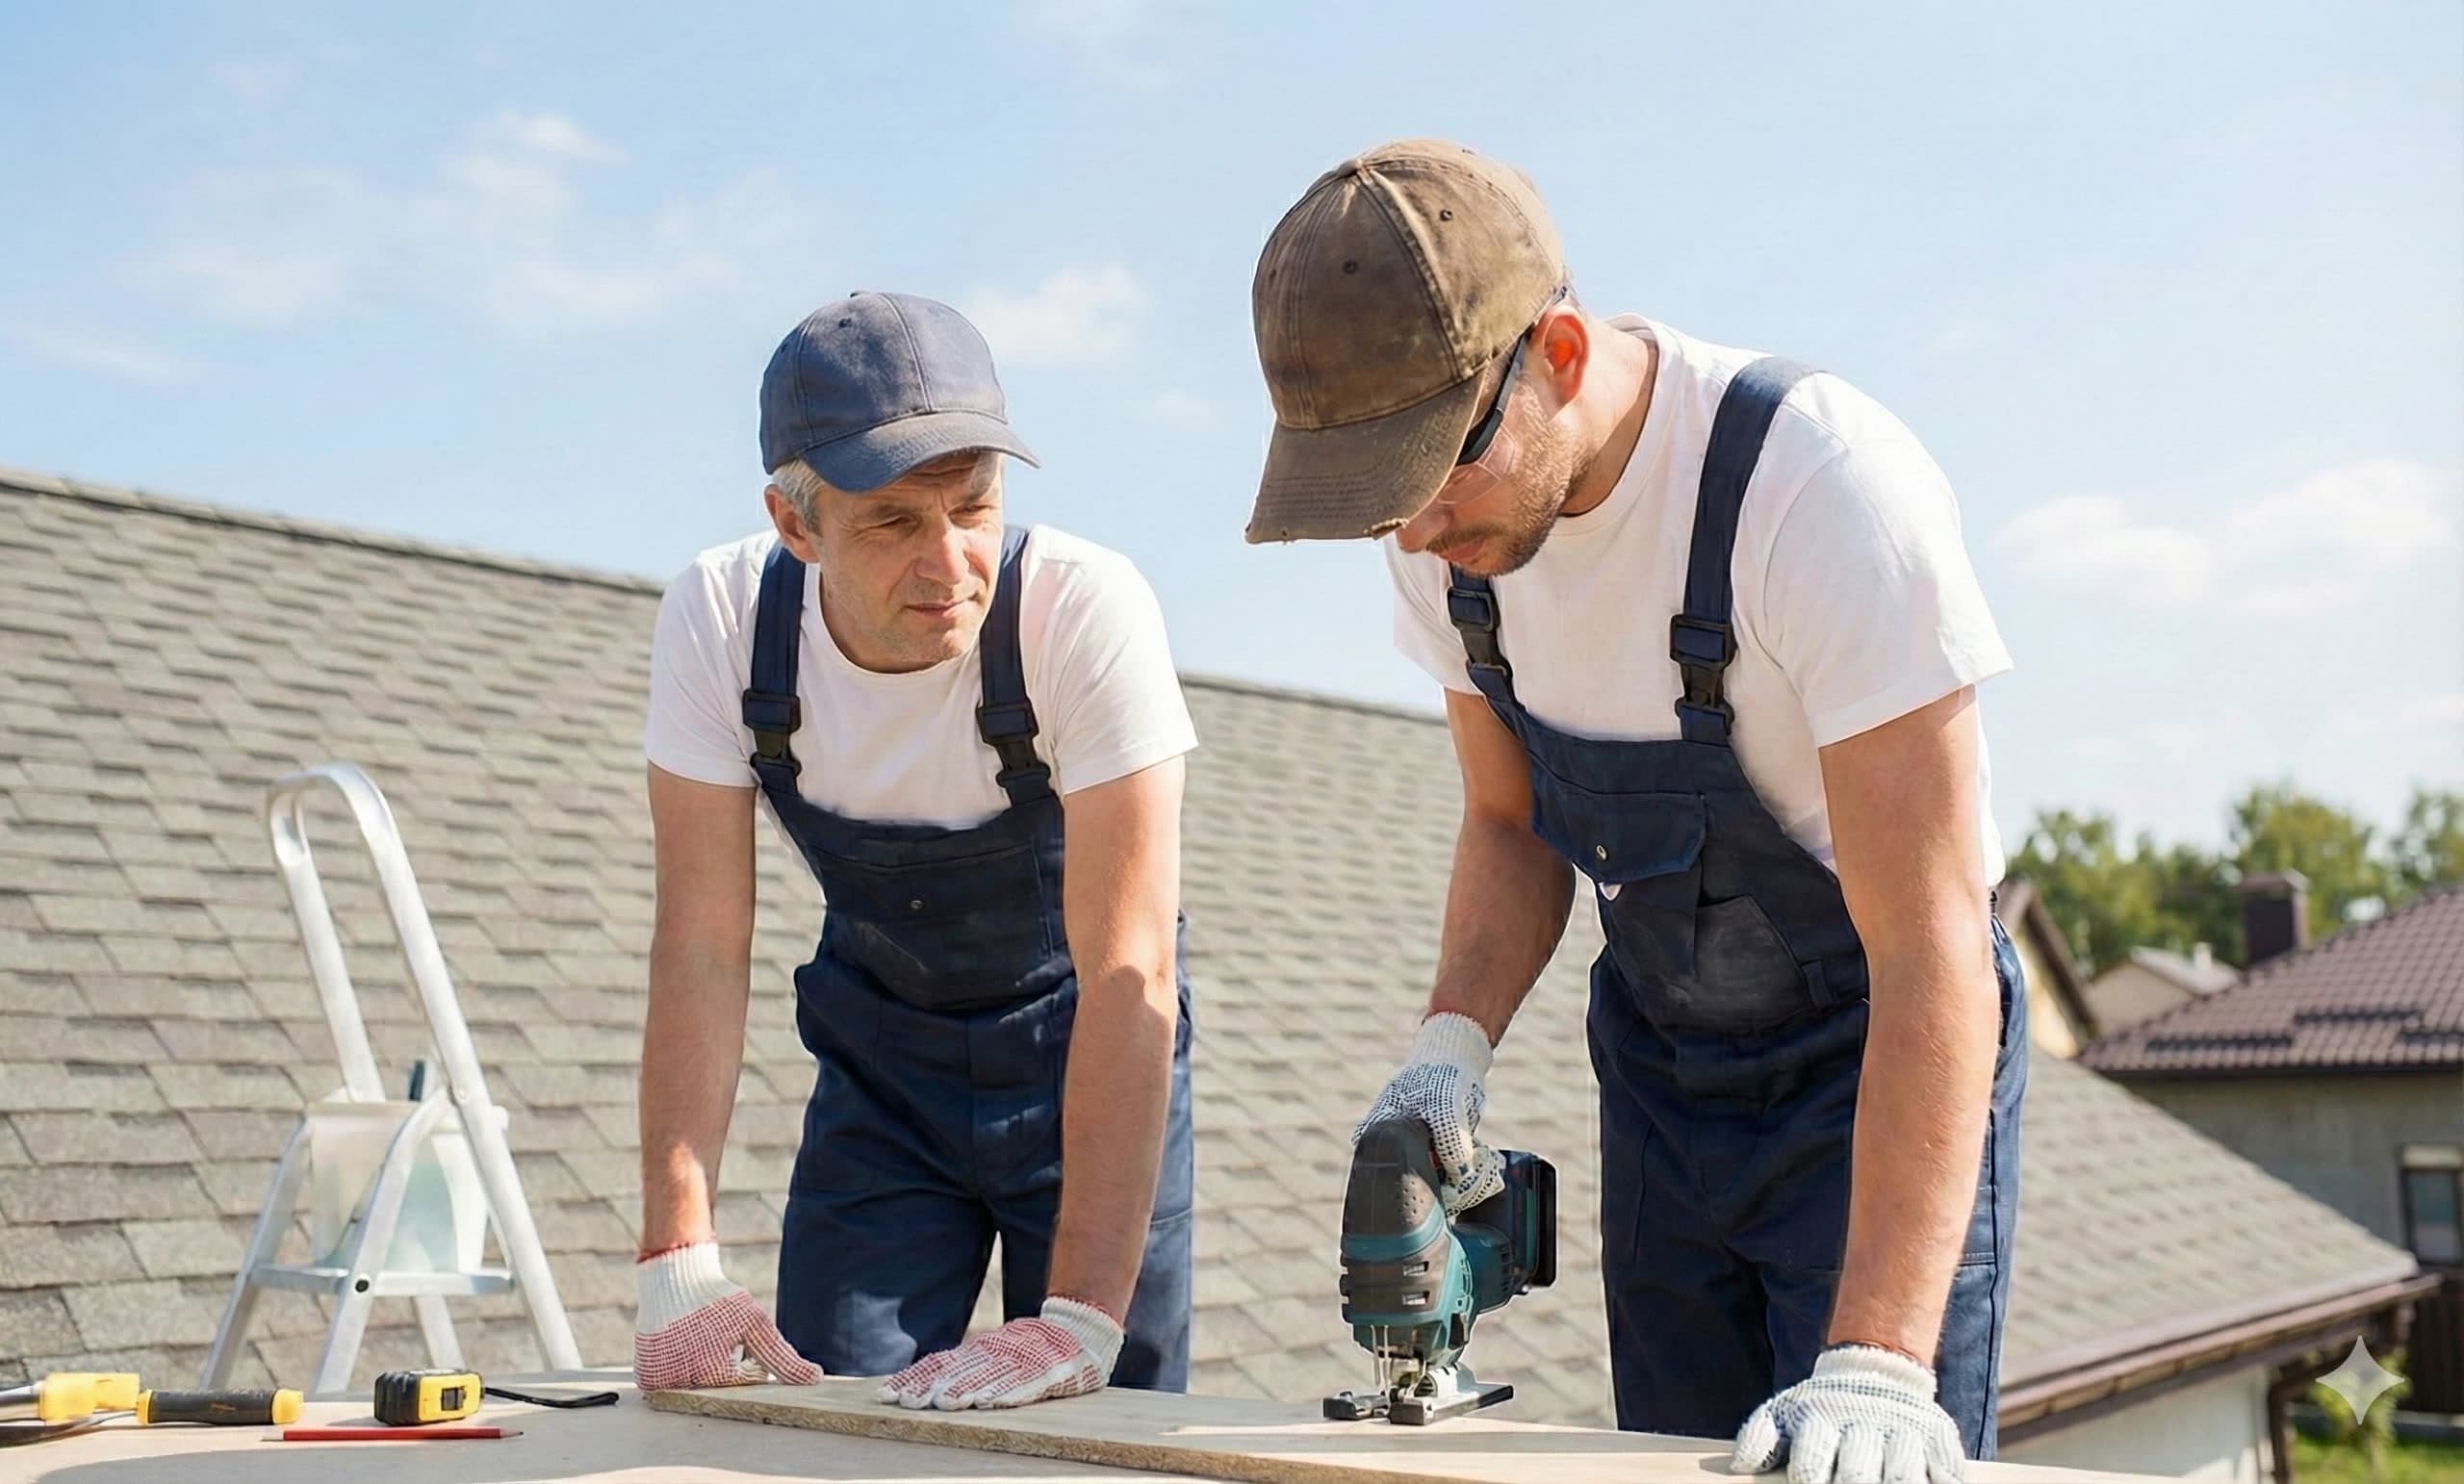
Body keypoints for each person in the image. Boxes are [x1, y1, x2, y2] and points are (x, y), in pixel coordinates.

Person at [1241, 140, 2028, 1483]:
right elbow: (1506, 821)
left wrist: (1885, 1355)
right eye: (1381, 498)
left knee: (1857, 1458)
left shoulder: (1820, 492)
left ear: (1553, 350)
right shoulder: (1448, 550)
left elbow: (1934, 945)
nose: (1414, 537)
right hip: (1665, 1075)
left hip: (1872, 1065)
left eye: (1436, 472)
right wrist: (1449, 1047)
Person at [630, 290, 1198, 1413]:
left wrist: (1081, 1318)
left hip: (1082, 1061)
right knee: (829, 1425)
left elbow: (1130, 968)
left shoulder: (1081, 611)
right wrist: (675, 1264)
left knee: (1109, 1431)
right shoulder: (724, 620)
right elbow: (698, 945)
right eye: (893, 522)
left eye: (973, 507)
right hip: (881, 1077)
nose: (948, 564)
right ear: (797, 525)